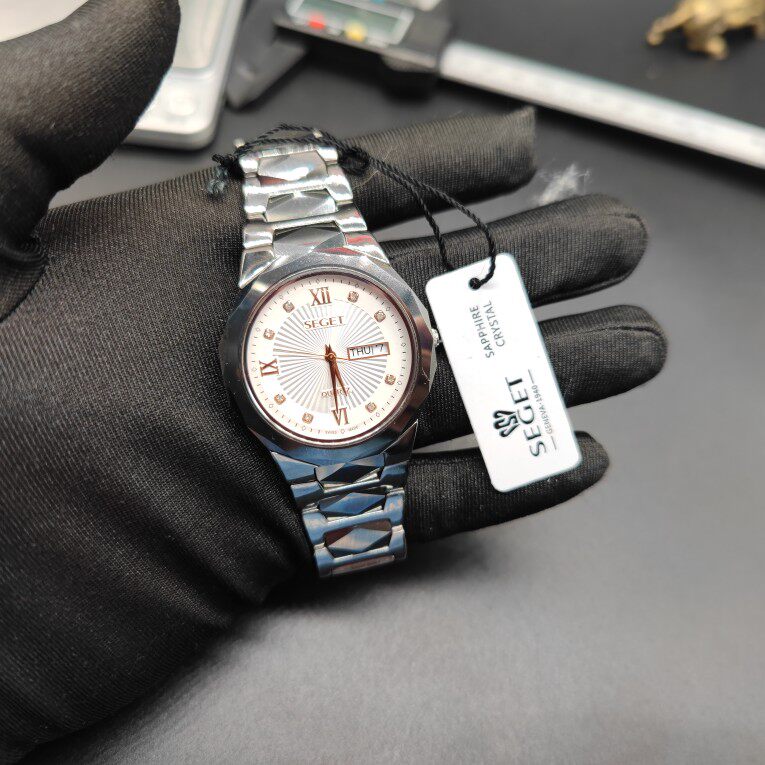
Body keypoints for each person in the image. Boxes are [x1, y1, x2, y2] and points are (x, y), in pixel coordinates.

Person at [0, 1, 665, 760]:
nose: (329, 358)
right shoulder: (261, 345)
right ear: (237, 348)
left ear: (418, 335)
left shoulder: (385, 344)